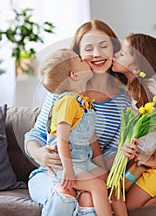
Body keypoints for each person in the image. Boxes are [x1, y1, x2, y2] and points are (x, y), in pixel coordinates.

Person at [24, 19, 132, 216]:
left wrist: (118, 161)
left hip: (87, 170)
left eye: (103, 46)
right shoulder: (62, 93)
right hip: (52, 174)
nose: (97, 54)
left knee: (90, 197)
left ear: (114, 49)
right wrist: (39, 154)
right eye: (88, 49)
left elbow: (109, 151)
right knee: (64, 195)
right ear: (78, 56)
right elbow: (35, 135)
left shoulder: (123, 101)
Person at [112, 33, 156, 209]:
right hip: (140, 160)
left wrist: (155, 160)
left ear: (136, 69)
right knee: (116, 199)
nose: (115, 54)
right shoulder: (125, 86)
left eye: (121, 54)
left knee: (129, 206)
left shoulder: (151, 88)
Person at [39, 48, 112, 216]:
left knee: (104, 181)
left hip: (83, 162)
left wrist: (101, 167)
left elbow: (91, 139)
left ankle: (82, 207)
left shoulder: (85, 103)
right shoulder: (67, 102)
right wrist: (68, 170)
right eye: (80, 60)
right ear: (74, 74)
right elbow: (61, 139)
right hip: (67, 165)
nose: (85, 60)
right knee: (98, 186)